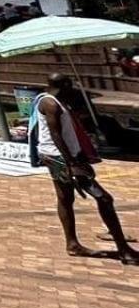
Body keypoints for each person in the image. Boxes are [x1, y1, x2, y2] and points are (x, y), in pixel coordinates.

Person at [35, 73, 138, 263]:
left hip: (61, 155)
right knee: (104, 198)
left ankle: (72, 244)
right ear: (65, 85)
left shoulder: (59, 101)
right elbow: (56, 135)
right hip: (60, 158)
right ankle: (123, 249)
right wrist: (72, 163)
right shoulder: (50, 104)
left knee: (65, 198)